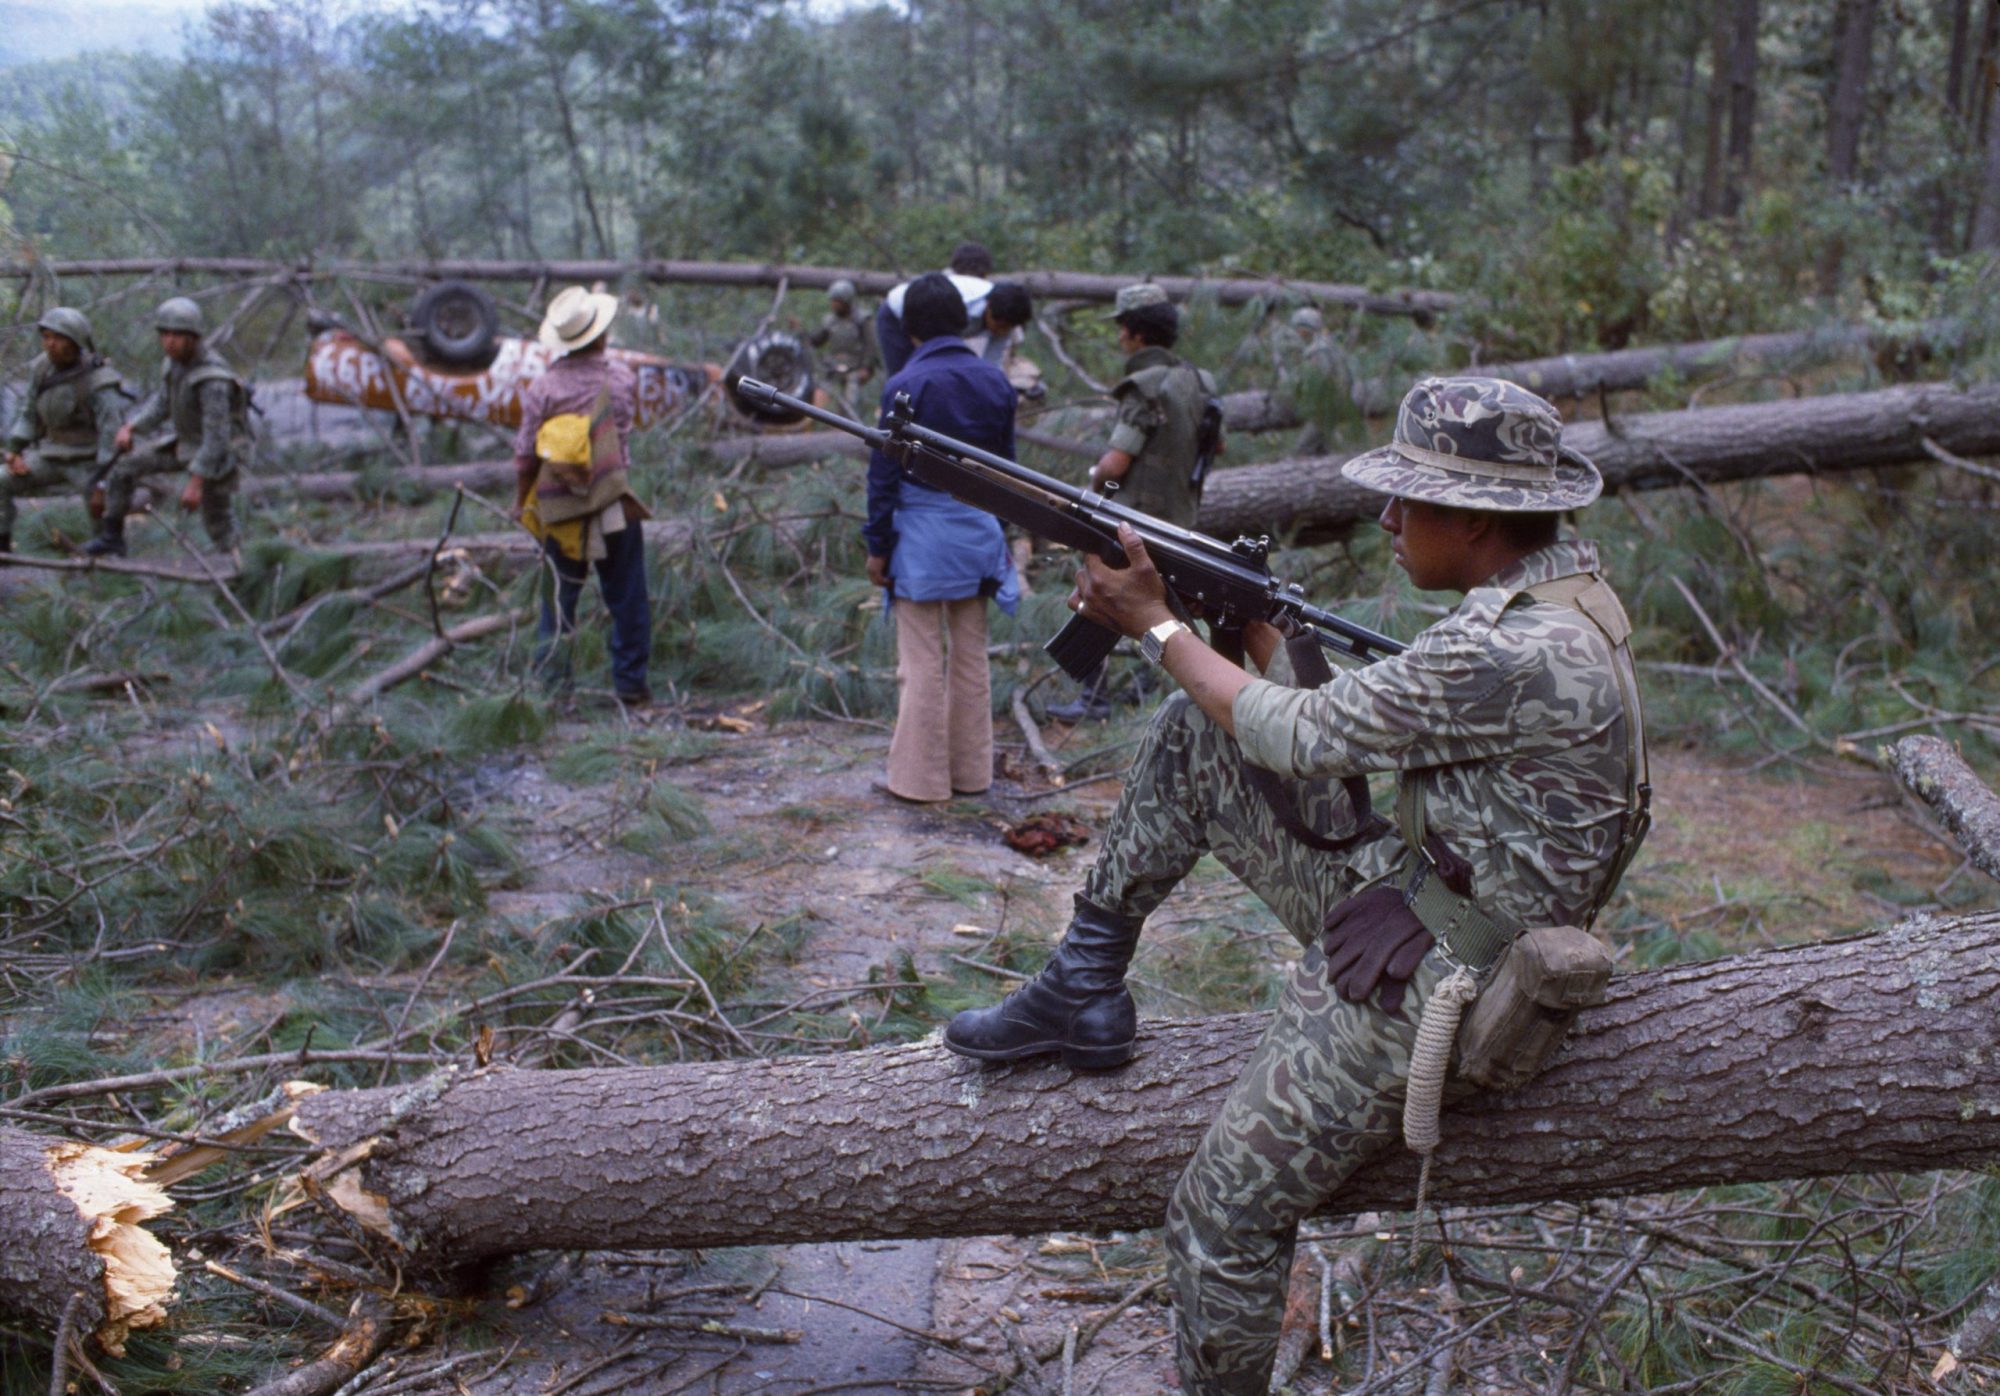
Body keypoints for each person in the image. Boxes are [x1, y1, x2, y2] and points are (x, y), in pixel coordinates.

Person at [943, 376, 1649, 1395]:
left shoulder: (1503, 647)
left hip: (1444, 981)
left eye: (1412, 500)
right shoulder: (1562, 601)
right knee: (1199, 732)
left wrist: (1154, 625)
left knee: (1218, 1212)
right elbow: (1356, 724)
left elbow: (1302, 734)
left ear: (1482, 517)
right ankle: (1083, 981)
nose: (1389, 517)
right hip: (1426, 900)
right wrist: (1243, 626)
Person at [863, 272, 1021, 803]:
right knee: (972, 656)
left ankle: (920, 782)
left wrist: (877, 545)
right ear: (963, 320)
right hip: (979, 533)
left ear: (909, 331)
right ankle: (973, 774)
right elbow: (1009, 471)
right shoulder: (995, 380)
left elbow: (883, 476)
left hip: (922, 538)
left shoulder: (904, 384)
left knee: (923, 661)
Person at [1046, 282, 1219, 722]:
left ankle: (1094, 698)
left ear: (1135, 333)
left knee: (1098, 597)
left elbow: (1116, 462)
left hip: (1132, 522)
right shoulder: (1200, 381)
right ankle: (1148, 685)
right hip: (1181, 518)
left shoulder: (1146, 385)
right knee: (1160, 606)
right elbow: (1214, 449)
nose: (1120, 337)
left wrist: (1093, 476)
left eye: (1122, 328)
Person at [513, 285, 654, 706]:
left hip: (561, 510)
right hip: (612, 500)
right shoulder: (622, 379)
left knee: (558, 600)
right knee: (628, 595)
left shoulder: (543, 389)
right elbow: (625, 435)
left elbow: (525, 456)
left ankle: (555, 690)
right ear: (602, 335)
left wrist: (522, 502)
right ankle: (630, 683)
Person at [90, 297, 252, 558]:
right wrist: (131, 427)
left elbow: (217, 439)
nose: (170, 341)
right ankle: (112, 538)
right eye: (165, 334)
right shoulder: (174, 365)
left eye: (178, 334)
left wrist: (196, 482)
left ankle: (240, 570)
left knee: (218, 518)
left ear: (194, 337)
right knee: (124, 467)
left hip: (218, 454)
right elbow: (162, 404)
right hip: (187, 443)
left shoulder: (212, 380)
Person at [0, 307, 126, 556]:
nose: (51, 345)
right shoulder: (41, 369)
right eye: (46, 337)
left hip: (88, 461)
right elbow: (29, 413)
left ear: (76, 341)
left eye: (59, 338)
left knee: (101, 504)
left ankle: (108, 560)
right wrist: (14, 451)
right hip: (50, 455)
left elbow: (110, 435)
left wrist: (101, 481)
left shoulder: (99, 381)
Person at [875, 240, 995, 379]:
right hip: (896, 316)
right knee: (902, 377)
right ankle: (902, 401)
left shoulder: (973, 298)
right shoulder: (967, 294)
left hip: (928, 331)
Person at [963, 280, 1043, 402]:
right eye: (1001, 326)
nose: (1003, 332)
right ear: (988, 308)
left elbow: (991, 365)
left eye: (1009, 328)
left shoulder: (1006, 318)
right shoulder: (964, 307)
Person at [809, 278, 878, 412]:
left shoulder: (862, 319)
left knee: (850, 406)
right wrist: (801, 332)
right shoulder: (830, 320)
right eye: (832, 300)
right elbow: (816, 340)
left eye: (836, 301)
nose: (833, 304)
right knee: (821, 404)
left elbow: (871, 346)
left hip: (855, 369)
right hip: (832, 369)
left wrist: (866, 368)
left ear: (846, 301)